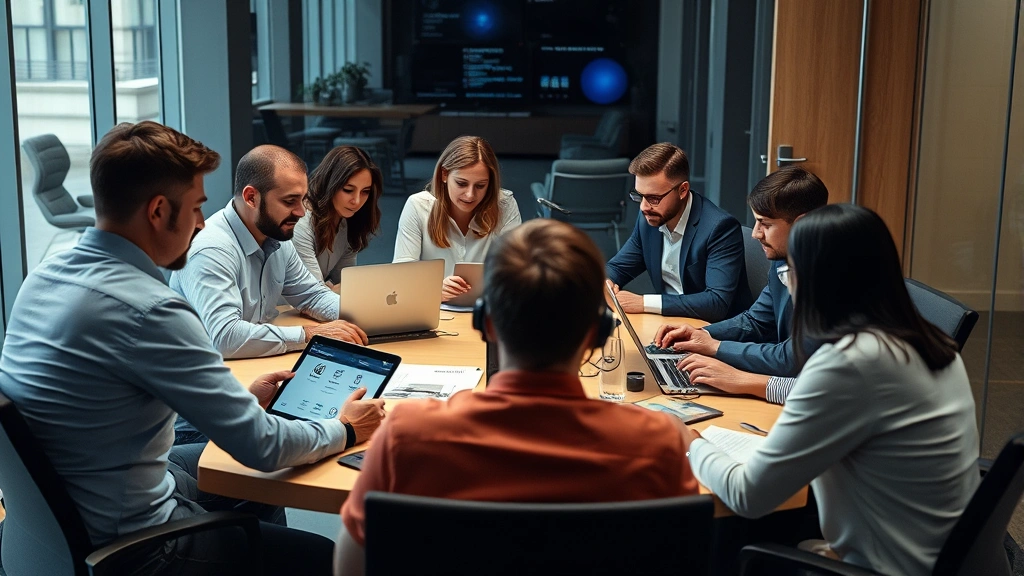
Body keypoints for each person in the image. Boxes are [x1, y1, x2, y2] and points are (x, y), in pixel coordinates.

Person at [0, 121, 386, 575]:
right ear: (160, 211)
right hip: (135, 549)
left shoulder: (44, 277)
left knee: (246, 488)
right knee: (323, 556)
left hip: (54, 531)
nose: (203, 223)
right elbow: (263, 446)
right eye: (198, 207)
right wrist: (345, 430)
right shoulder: (151, 310)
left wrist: (242, 402)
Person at [336, 219, 699, 575]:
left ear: (486, 323)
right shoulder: (657, 444)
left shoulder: (407, 435)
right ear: (598, 334)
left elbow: (351, 568)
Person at [683, 204, 979, 576]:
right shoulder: (925, 341)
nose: (788, 283)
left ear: (818, 280)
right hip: (936, 552)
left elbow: (747, 495)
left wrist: (689, 441)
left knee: (717, 548)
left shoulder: (850, 361)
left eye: (792, 273)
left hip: (885, 566)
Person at [170, 144, 368, 360]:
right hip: (202, 373)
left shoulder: (277, 237)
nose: (301, 212)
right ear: (251, 198)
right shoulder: (211, 249)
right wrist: (308, 335)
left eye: (302, 199)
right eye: (289, 201)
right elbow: (225, 337)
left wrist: (370, 316)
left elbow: (313, 295)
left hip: (248, 363)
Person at [653, 166, 829, 404]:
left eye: (765, 224)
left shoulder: (832, 279)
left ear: (803, 224)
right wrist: (700, 335)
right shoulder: (784, 260)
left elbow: (791, 358)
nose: (755, 234)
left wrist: (716, 348)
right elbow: (755, 321)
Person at [606, 142, 751, 321]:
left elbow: (716, 303)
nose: (644, 207)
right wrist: (607, 285)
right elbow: (617, 267)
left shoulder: (720, 228)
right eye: (639, 196)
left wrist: (643, 303)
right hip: (667, 324)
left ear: (682, 190)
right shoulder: (649, 218)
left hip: (712, 332)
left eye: (654, 198)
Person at [393, 135, 521, 302]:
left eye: (480, 186)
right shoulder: (418, 206)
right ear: (444, 175)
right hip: (433, 311)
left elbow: (516, 271)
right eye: (461, 183)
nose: (470, 195)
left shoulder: (505, 205)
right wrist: (433, 289)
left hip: (487, 310)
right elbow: (400, 276)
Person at [292, 146, 382, 287]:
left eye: (365, 192)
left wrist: (332, 289)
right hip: (282, 308)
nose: (357, 201)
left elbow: (347, 284)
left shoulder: (349, 221)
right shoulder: (301, 223)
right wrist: (330, 289)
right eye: (348, 190)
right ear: (330, 184)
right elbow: (314, 295)